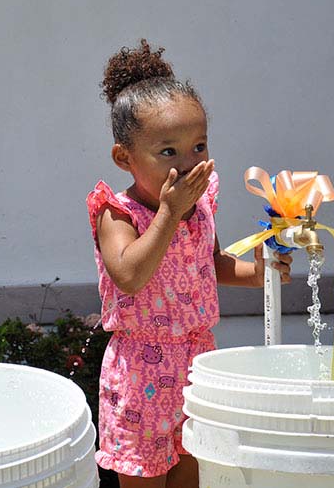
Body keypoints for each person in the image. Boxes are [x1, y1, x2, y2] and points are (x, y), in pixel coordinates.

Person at [87, 39, 292, 488]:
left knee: (193, 472)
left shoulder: (198, 206)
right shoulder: (117, 213)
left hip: (197, 362)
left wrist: (260, 274)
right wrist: (168, 212)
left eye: (198, 146)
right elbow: (130, 275)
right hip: (140, 368)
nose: (188, 163)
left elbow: (210, 263)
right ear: (125, 157)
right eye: (168, 152)